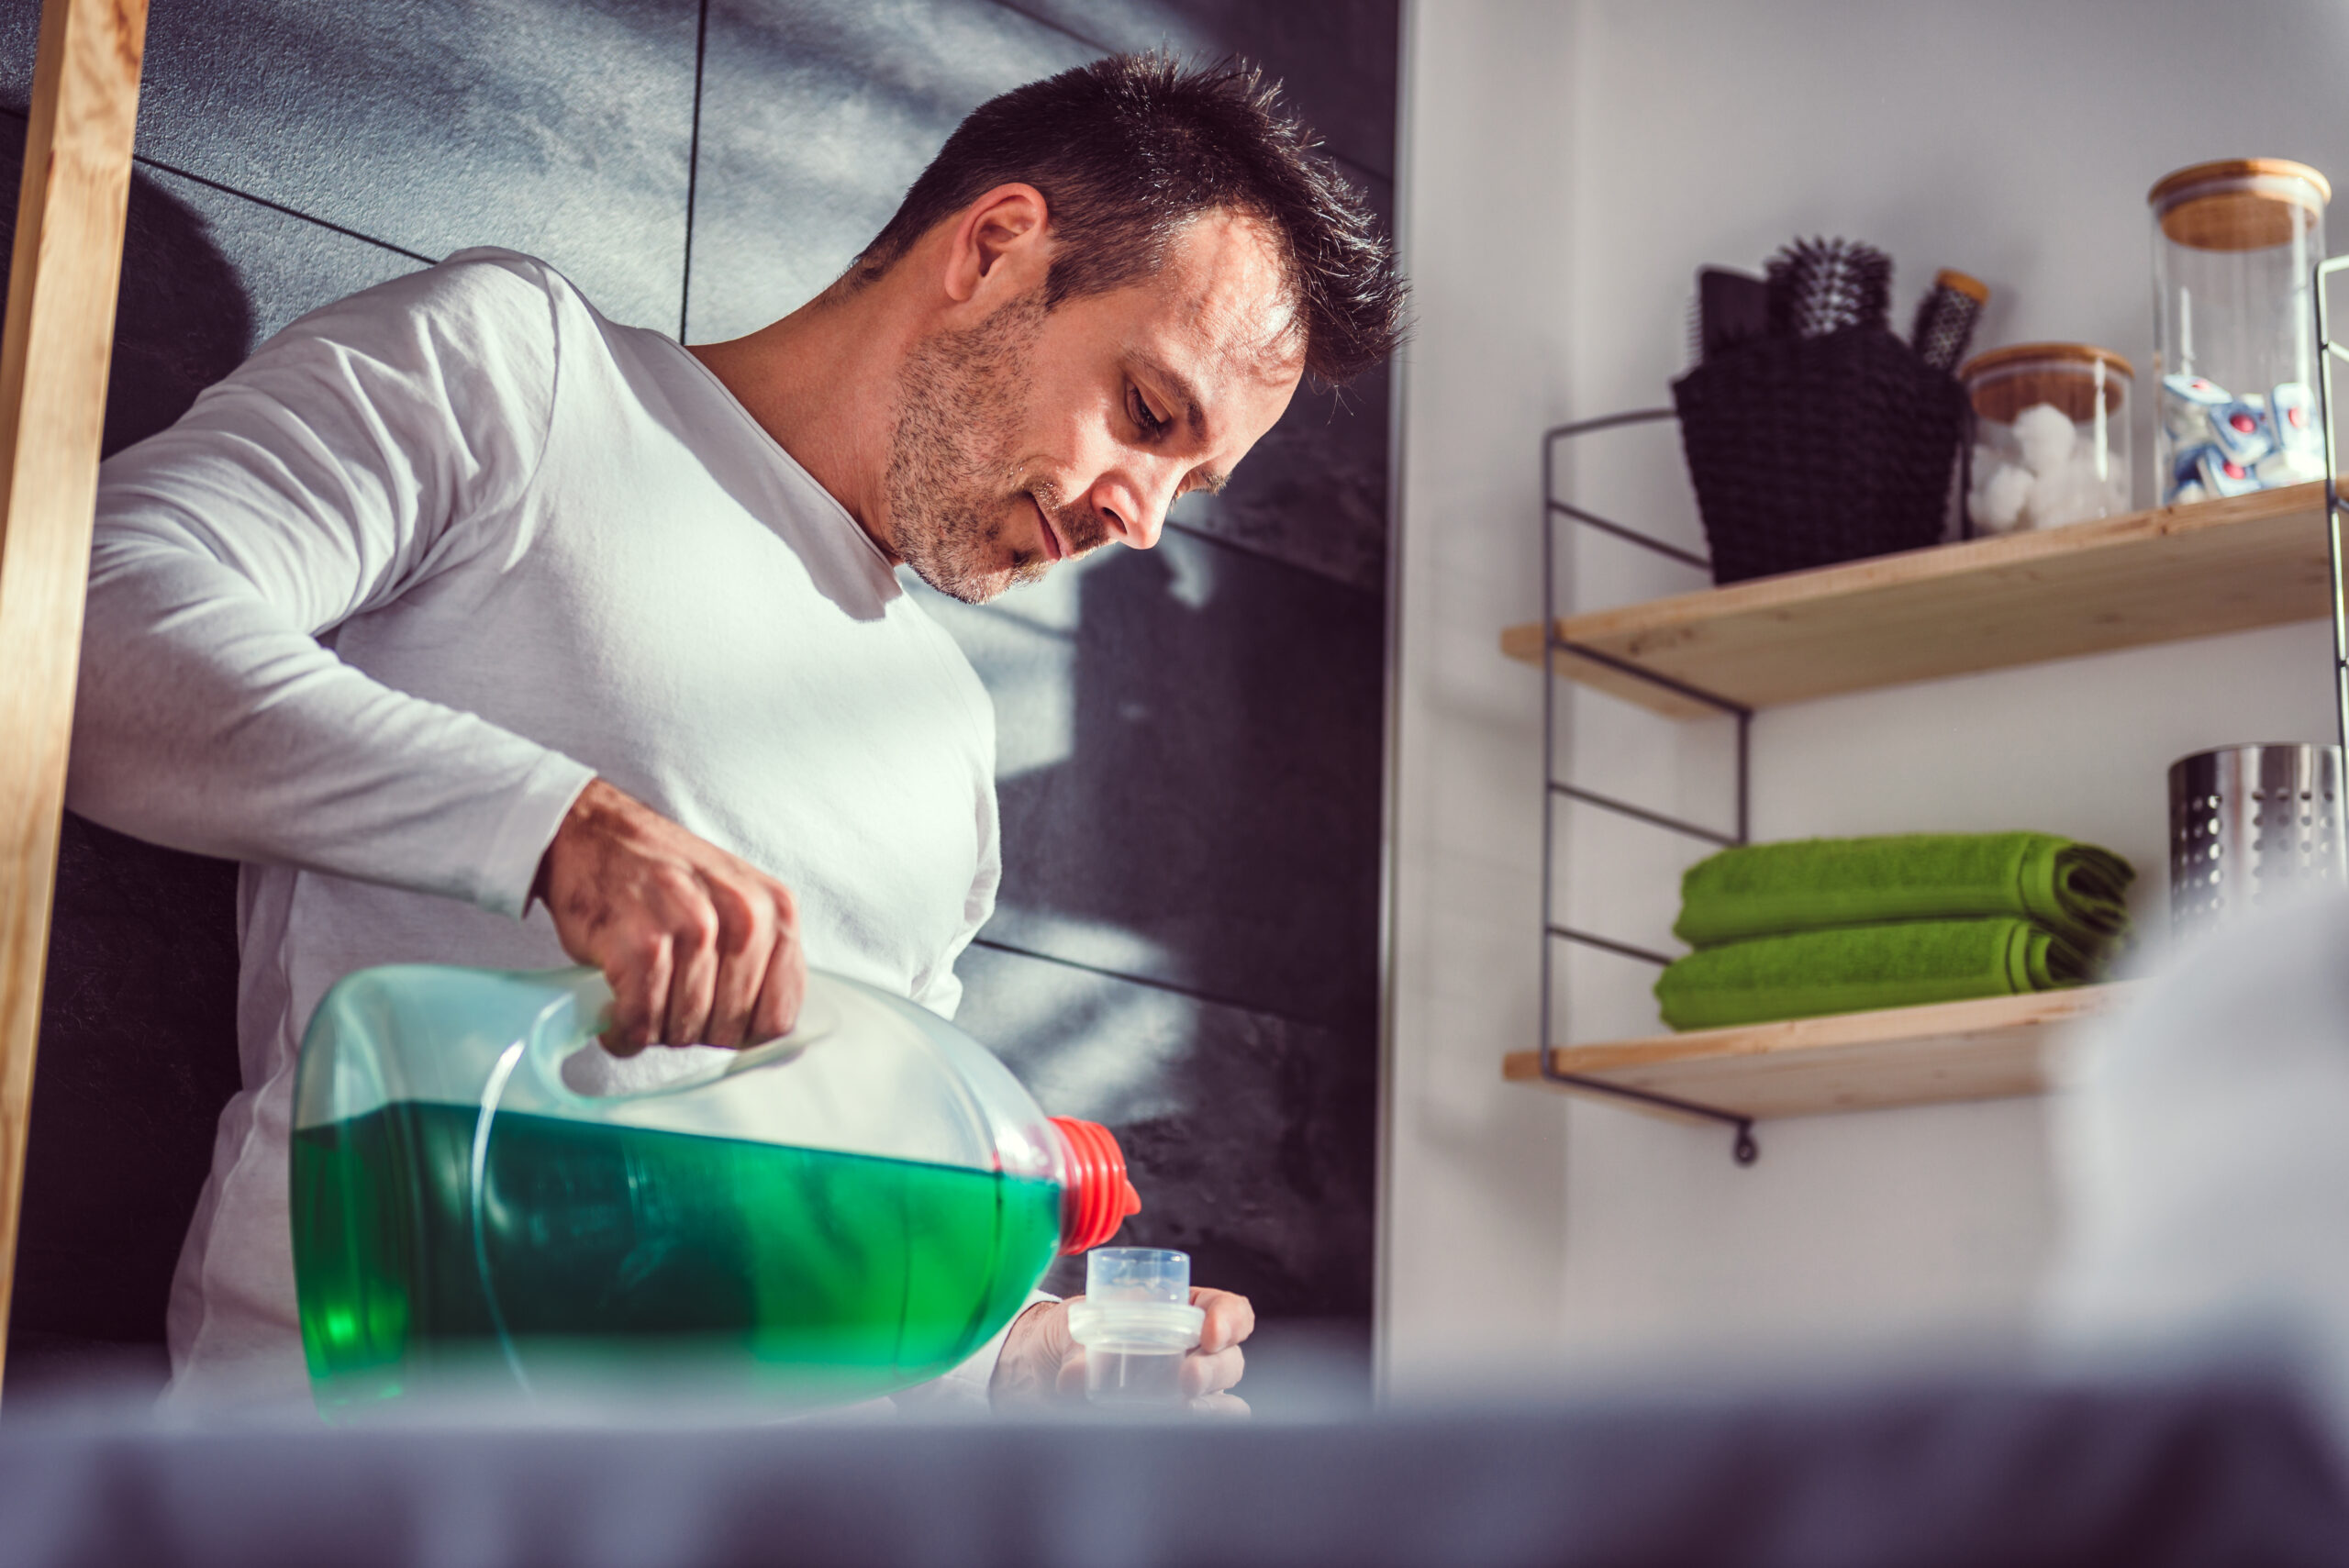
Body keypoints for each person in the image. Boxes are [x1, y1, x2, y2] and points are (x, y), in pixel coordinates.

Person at [64, 52, 1406, 1411]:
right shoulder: (529, 379)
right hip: (354, 1488)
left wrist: (1016, 1363)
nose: (1146, 516)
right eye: (1147, 413)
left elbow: (818, 1217)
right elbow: (86, 626)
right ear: (997, 249)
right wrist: (555, 827)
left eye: (1194, 480)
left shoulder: (941, 730)